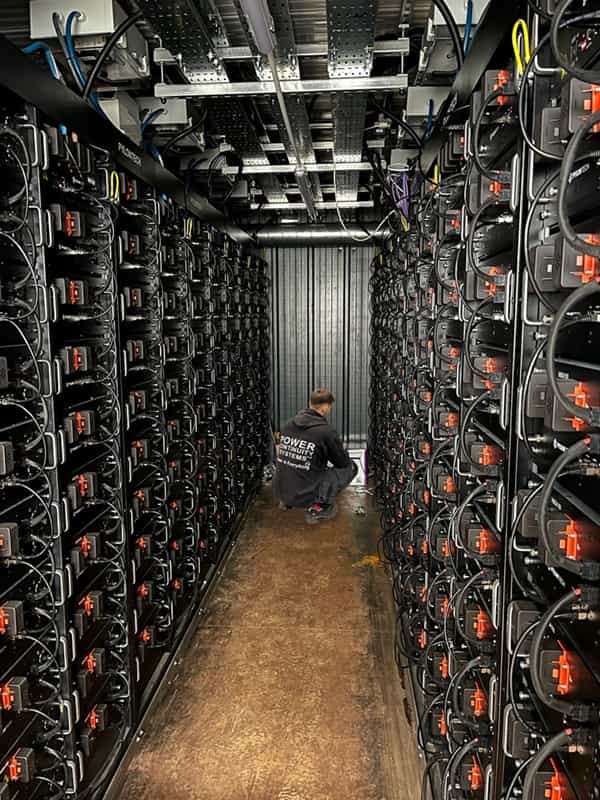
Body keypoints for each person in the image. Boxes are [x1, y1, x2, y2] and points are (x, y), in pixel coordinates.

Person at [273, 388, 357, 524]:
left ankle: (287, 501)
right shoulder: (326, 431)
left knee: (296, 464)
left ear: (310, 403)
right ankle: (319, 506)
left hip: (283, 491)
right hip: (305, 494)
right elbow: (342, 462)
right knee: (350, 467)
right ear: (325, 407)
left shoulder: (288, 425)